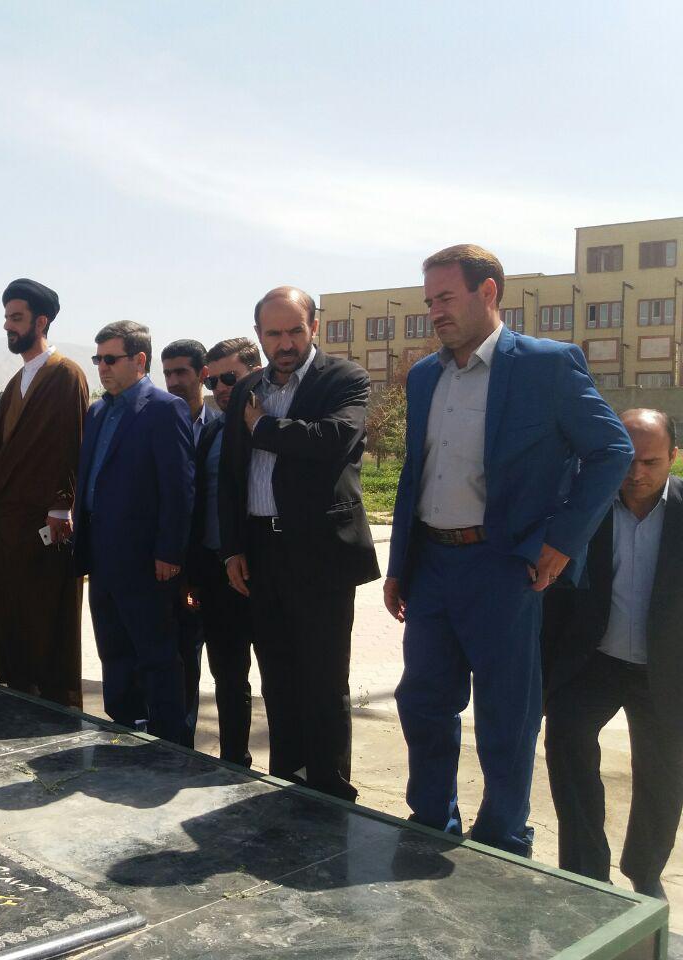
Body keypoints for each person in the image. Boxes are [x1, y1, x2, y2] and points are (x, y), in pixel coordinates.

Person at [385, 243, 632, 856]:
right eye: (429, 302)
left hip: (503, 567)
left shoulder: (546, 366)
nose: (435, 313)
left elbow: (611, 451)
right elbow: (416, 473)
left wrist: (561, 542)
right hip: (431, 566)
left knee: (506, 714)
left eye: (446, 298)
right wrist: (399, 565)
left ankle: (502, 837)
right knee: (423, 701)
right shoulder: (425, 375)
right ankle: (431, 820)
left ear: (488, 291)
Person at [218, 287, 379, 801]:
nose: (284, 343)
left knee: (324, 679)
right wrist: (232, 548)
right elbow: (231, 475)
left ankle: (330, 790)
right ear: (259, 335)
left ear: (314, 327)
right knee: (278, 677)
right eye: (274, 333)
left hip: (320, 554)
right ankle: (287, 780)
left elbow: (332, 439)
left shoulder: (344, 379)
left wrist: (265, 426)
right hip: (261, 553)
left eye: (294, 331)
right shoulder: (248, 388)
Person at [543, 409, 682, 898]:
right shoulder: (587, 507)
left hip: (666, 670)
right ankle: (586, 872)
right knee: (566, 742)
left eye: (650, 462)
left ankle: (644, 873)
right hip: (593, 661)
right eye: (626, 460)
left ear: (673, 457)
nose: (635, 474)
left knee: (663, 777)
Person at [75, 321, 194, 745]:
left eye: (111, 359)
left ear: (139, 360)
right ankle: (124, 734)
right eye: (98, 359)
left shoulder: (164, 410)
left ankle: (170, 746)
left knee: (156, 657)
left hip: (146, 561)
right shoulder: (97, 412)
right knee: (114, 652)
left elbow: (179, 488)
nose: (102, 367)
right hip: (102, 555)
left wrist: (169, 552)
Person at [0, 278, 88, 708]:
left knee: (47, 618)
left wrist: (62, 506)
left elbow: (71, 444)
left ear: (41, 322)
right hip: (8, 523)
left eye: (17, 318)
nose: (8, 326)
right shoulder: (14, 382)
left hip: (46, 522)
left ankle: (53, 704)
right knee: (12, 615)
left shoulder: (66, 375)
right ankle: (18, 695)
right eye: (7, 317)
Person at [186, 337, 261, 765]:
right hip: (218, 574)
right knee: (229, 675)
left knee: (286, 676)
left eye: (230, 378)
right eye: (212, 381)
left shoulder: (277, 422)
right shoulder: (213, 430)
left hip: (269, 572)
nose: (220, 389)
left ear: (256, 371)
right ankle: (234, 761)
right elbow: (200, 505)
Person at [160, 338, 218, 748]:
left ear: (203, 374)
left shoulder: (222, 425)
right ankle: (178, 745)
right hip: (170, 565)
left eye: (181, 372)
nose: (174, 381)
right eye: (167, 373)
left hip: (215, 563)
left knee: (222, 667)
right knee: (177, 661)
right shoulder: (157, 423)